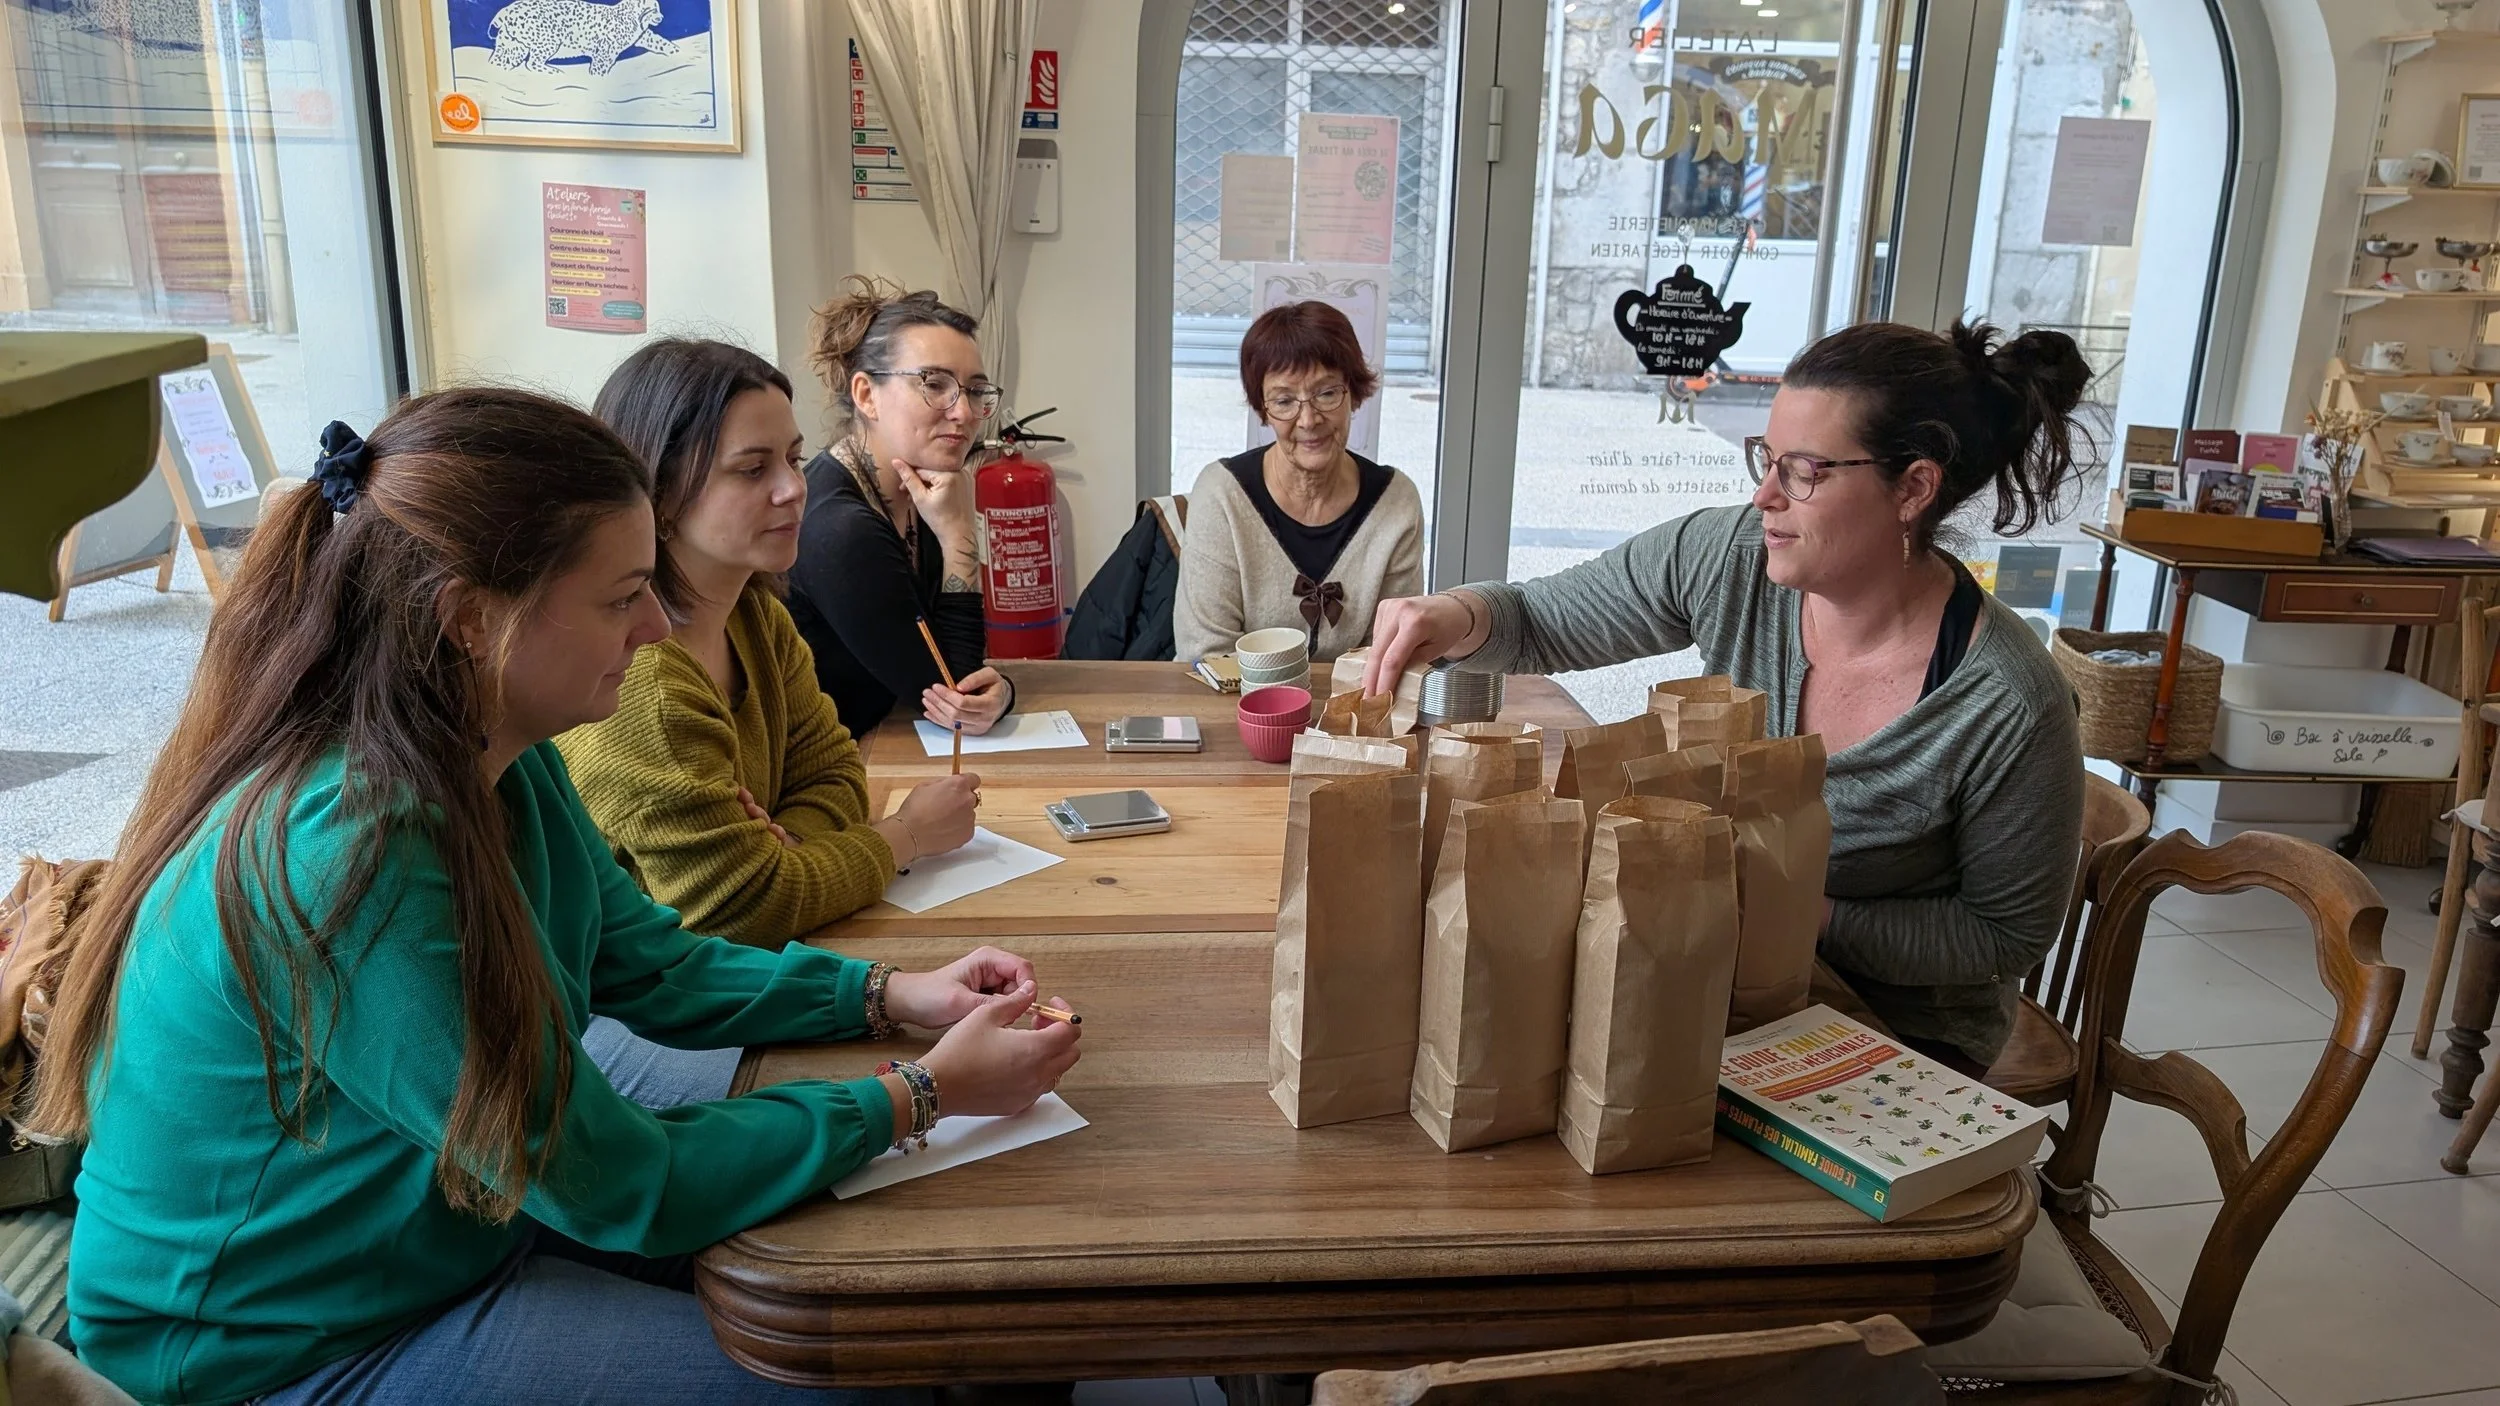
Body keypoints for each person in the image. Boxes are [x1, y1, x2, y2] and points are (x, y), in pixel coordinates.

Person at [35, 389, 1081, 1406]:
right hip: (272, 1344)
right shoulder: (353, 852)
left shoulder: (501, 747)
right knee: (856, 1378)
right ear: (468, 619)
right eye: (622, 597)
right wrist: (918, 1093)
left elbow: (650, 964)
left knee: (893, 1304)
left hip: (434, 1227)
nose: (658, 628)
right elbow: (616, 1181)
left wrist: (890, 995)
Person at [1364, 320, 2090, 1072]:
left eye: (1802, 472)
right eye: (1766, 460)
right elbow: (1538, 620)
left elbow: (2003, 936)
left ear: (1913, 488)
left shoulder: (2008, 703)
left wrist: (1798, 911)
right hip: (1719, 968)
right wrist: (1455, 614)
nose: (1764, 495)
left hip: (1894, 1031)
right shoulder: (1732, 558)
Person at [560, 338, 980, 956]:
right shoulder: (642, 684)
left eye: (794, 458)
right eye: (753, 470)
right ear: (660, 493)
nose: (793, 488)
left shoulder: (756, 616)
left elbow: (836, 774)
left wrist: (785, 851)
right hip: (648, 995)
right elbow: (742, 913)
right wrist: (907, 835)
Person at [789, 276, 1015, 735]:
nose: (963, 412)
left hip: (888, 735)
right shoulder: (839, 527)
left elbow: (958, 679)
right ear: (866, 395)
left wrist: (1003, 691)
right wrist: (959, 535)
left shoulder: (917, 484)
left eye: (975, 391)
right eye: (934, 384)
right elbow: (953, 696)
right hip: (837, 760)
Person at [1172, 300, 1425, 664]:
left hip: (1353, 701)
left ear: (1353, 394)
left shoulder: (1396, 501)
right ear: (1263, 410)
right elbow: (1208, 655)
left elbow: (1390, 655)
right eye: (1284, 401)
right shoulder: (1222, 495)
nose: (1308, 420)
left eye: (1326, 393)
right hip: (1234, 698)